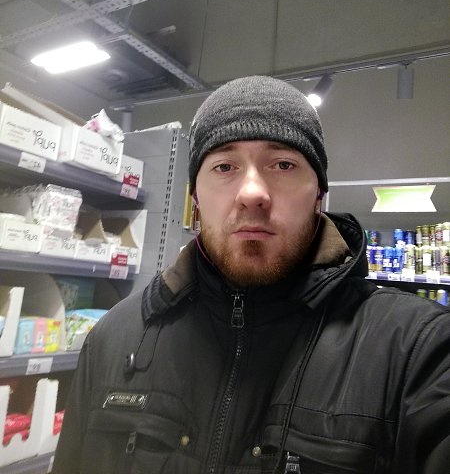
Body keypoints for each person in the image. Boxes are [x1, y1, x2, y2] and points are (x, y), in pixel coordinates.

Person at [53, 75, 450, 474]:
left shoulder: (419, 353)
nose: (252, 193)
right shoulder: (114, 338)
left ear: (319, 193)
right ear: (195, 197)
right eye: (224, 166)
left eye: (283, 164)